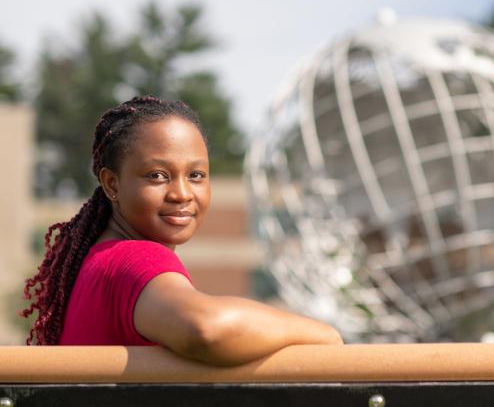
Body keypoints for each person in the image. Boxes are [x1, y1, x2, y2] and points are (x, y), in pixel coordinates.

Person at [22, 95, 343, 366]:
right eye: (157, 175)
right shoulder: (135, 259)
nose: (182, 193)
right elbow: (206, 329)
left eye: (196, 175)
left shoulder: (98, 259)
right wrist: (324, 334)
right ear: (112, 183)